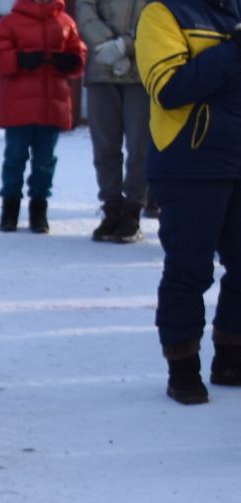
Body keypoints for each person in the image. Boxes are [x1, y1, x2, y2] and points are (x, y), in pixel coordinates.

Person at [136, 0, 241, 403]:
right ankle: (183, 367)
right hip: (189, 161)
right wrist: (234, 50)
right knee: (190, 270)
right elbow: (170, 89)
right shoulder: (163, 13)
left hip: (236, 159)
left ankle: (231, 356)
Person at [0, 0, 87, 234]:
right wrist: (19, 59)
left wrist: (74, 60)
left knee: (45, 162)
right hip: (19, 107)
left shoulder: (65, 23)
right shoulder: (10, 23)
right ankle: (10, 209)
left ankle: (38, 210)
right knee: (15, 158)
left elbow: (78, 52)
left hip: (51, 107)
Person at [78, 0, 150, 242]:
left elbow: (163, 16)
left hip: (142, 72)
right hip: (102, 69)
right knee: (104, 146)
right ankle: (111, 208)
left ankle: (132, 210)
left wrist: (125, 46)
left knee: (140, 147)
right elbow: (85, 9)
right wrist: (107, 45)